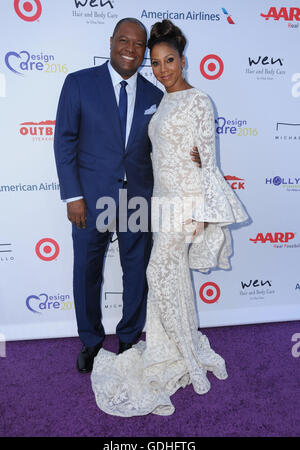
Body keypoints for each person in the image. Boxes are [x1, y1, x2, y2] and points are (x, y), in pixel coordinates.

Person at [91, 19, 248, 416]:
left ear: (182, 60)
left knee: (157, 272)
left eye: (170, 60)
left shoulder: (198, 100)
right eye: (156, 63)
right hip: (161, 204)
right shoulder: (162, 100)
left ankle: (187, 356)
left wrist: (202, 215)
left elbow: (207, 164)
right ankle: (172, 348)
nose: (163, 70)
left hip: (185, 206)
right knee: (171, 277)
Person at [54, 18, 201, 374]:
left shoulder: (156, 96)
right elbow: (64, 141)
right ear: (111, 42)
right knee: (87, 271)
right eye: (124, 41)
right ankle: (90, 340)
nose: (130, 50)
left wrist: (194, 155)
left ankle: (129, 339)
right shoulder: (79, 83)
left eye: (138, 45)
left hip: (136, 199)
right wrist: (73, 196)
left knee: (135, 271)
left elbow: (168, 142)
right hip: (91, 199)